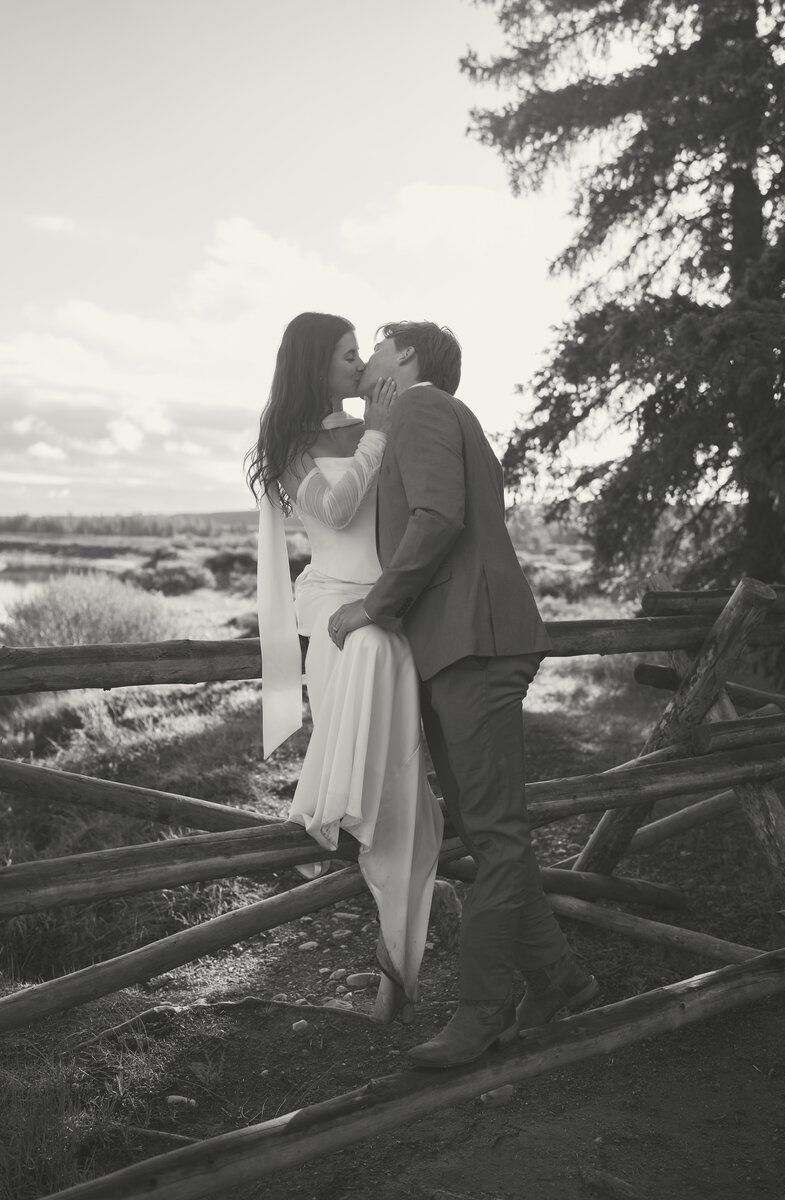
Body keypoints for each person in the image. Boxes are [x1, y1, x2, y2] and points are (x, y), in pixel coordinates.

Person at [328, 320, 598, 1068]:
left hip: (474, 642)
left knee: (498, 834)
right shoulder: (436, 416)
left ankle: (483, 1011)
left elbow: (439, 517)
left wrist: (375, 606)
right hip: (458, 647)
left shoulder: (421, 406)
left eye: (377, 344)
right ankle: (561, 978)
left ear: (407, 356)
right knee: (488, 832)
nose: (370, 358)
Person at [247, 312, 444, 1024]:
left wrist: (386, 429)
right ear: (315, 366)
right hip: (334, 616)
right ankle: (331, 814)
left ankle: (396, 979)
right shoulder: (295, 445)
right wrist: (381, 435)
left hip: (387, 612)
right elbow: (334, 506)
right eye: (347, 353)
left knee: (402, 792)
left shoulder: (377, 430)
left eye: (363, 350)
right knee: (365, 678)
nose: (361, 363)